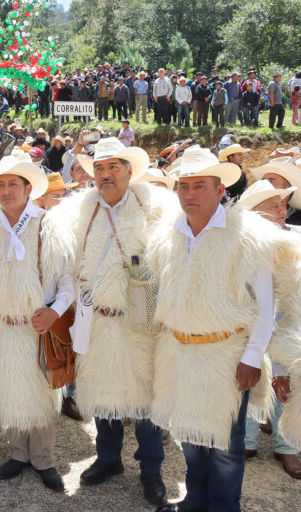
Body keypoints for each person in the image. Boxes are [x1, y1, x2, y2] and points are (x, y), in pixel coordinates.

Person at [147, 147, 301, 512]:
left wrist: (251, 358)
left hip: (227, 355)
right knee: (191, 437)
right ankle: (195, 501)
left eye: (200, 185)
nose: (190, 194)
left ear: (220, 190)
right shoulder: (167, 235)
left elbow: (265, 309)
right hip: (179, 353)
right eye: (184, 186)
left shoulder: (247, 237)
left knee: (227, 449)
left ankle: (222, 508)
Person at [44, 138, 180, 507]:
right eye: (100, 169)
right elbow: (64, 253)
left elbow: (171, 257)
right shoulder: (82, 208)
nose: (105, 175)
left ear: (129, 171)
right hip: (96, 318)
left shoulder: (153, 206)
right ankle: (108, 459)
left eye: (113, 168)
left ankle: (151, 468)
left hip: (140, 317)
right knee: (101, 392)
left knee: (145, 399)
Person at [0, 156, 72, 491]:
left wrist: (54, 311)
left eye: (12, 184)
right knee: (7, 389)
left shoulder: (48, 225)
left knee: (41, 395)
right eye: (0, 184)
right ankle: (17, 453)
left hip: (37, 327)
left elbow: (68, 282)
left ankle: (43, 458)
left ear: (29, 189)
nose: (5, 190)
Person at [237, 181, 301, 479]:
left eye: (282, 204)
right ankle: (247, 440)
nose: (282, 210)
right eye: (273, 205)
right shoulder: (242, 247)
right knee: (248, 381)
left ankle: (286, 446)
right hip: (250, 328)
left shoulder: (297, 239)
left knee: (288, 384)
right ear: (254, 213)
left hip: (289, 325)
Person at [250, 159, 301, 226]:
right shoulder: (252, 216)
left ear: (288, 190)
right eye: (263, 181)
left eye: (271, 181)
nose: (264, 184)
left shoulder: (298, 221)